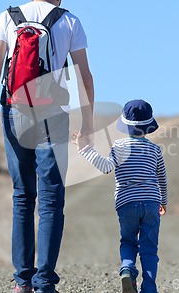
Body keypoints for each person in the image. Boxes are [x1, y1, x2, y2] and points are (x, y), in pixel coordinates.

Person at [0, 0, 94, 293]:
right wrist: (87, 125)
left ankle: (22, 283)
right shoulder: (70, 21)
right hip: (52, 114)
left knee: (22, 196)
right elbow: (85, 77)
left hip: (13, 109)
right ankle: (44, 283)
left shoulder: (8, 16)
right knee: (51, 198)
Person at [72, 99, 168, 293]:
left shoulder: (119, 146)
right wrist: (163, 201)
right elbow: (162, 179)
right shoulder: (155, 150)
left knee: (128, 241)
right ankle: (149, 288)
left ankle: (127, 268)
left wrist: (84, 149)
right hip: (151, 203)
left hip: (126, 204)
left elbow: (106, 167)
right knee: (149, 248)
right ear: (148, 126)